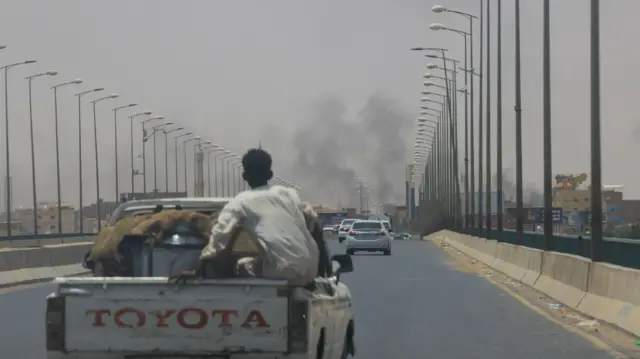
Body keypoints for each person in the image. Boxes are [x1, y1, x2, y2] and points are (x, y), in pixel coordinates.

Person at [200, 148, 321, 285]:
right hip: (311, 269)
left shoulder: (240, 201)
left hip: (281, 269)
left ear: (244, 176)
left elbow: (220, 233)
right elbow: (313, 221)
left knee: (241, 266)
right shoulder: (289, 194)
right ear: (270, 175)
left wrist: (203, 261)